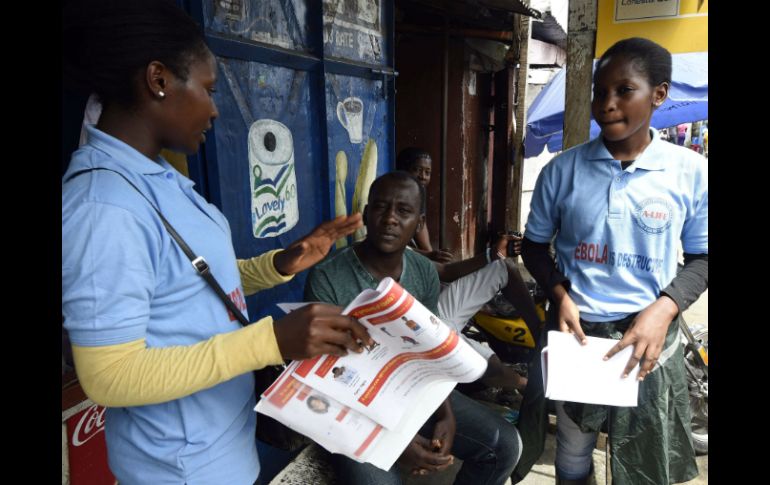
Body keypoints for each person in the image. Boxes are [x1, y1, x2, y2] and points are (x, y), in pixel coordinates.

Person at [62, 2, 373, 484]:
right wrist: (269, 341)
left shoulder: (156, 175)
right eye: (207, 89)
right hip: (182, 470)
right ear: (158, 79)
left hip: (221, 446)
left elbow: (183, 283)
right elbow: (109, 376)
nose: (215, 108)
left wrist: (279, 265)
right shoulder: (105, 206)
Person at [516, 37, 707, 484]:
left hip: (649, 341)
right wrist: (559, 294)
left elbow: (702, 257)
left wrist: (664, 309)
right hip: (579, 337)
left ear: (658, 94)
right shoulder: (562, 171)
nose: (607, 104)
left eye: (625, 91)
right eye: (600, 92)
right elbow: (534, 248)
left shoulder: (689, 172)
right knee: (573, 445)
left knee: (641, 455)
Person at [305, 171, 522, 485]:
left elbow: (430, 352)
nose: (390, 219)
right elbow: (328, 378)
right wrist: (398, 442)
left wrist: (445, 413)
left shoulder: (422, 272)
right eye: (380, 208)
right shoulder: (328, 277)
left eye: (403, 211)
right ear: (366, 215)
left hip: (414, 392)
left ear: (418, 223)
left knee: (504, 445)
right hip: (352, 407)